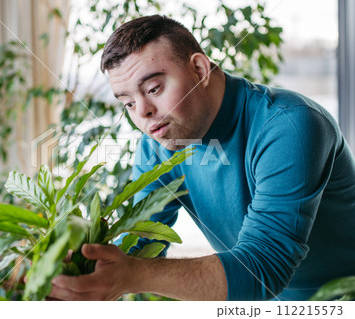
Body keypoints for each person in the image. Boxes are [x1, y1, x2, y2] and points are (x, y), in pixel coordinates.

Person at [48, 15, 355, 301]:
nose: (142, 113)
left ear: (199, 70)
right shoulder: (159, 143)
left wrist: (131, 274)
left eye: (153, 88)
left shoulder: (290, 126)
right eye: (128, 103)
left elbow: (262, 268)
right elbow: (141, 245)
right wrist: (69, 269)